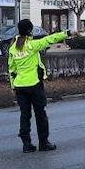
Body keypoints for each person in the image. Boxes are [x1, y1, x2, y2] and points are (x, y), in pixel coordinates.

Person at [7, 19, 72, 153]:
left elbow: (11, 69)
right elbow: (50, 39)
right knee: (40, 115)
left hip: (20, 86)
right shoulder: (32, 45)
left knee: (25, 115)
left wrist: (13, 86)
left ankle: (26, 145)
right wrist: (68, 33)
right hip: (35, 85)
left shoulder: (13, 48)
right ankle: (43, 143)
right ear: (30, 31)